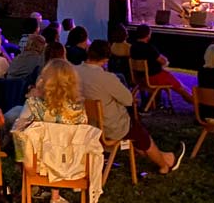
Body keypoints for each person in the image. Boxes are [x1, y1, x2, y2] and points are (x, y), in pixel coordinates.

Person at [78, 40, 183, 174]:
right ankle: (164, 165)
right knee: (138, 132)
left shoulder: (74, 71)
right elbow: (128, 100)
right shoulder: (107, 78)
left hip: (87, 124)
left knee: (136, 132)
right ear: (106, 59)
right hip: (109, 127)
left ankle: (165, 157)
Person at [14, 59, 87, 203]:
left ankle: (28, 188)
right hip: (70, 164)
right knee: (60, 146)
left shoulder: (33, 105)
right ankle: (55, 197)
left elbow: (19, 133)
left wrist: (22, 161)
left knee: (25, 142)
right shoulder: (78, 109)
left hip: (38, 165)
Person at [128, 25, 192, 104]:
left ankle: (156, 102)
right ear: (148, 35)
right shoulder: (149, 48)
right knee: (181, 87)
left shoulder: (132, 47)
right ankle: (195, 102)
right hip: (154, 77)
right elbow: (163, 61)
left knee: (173, 80)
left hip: (139, 78)